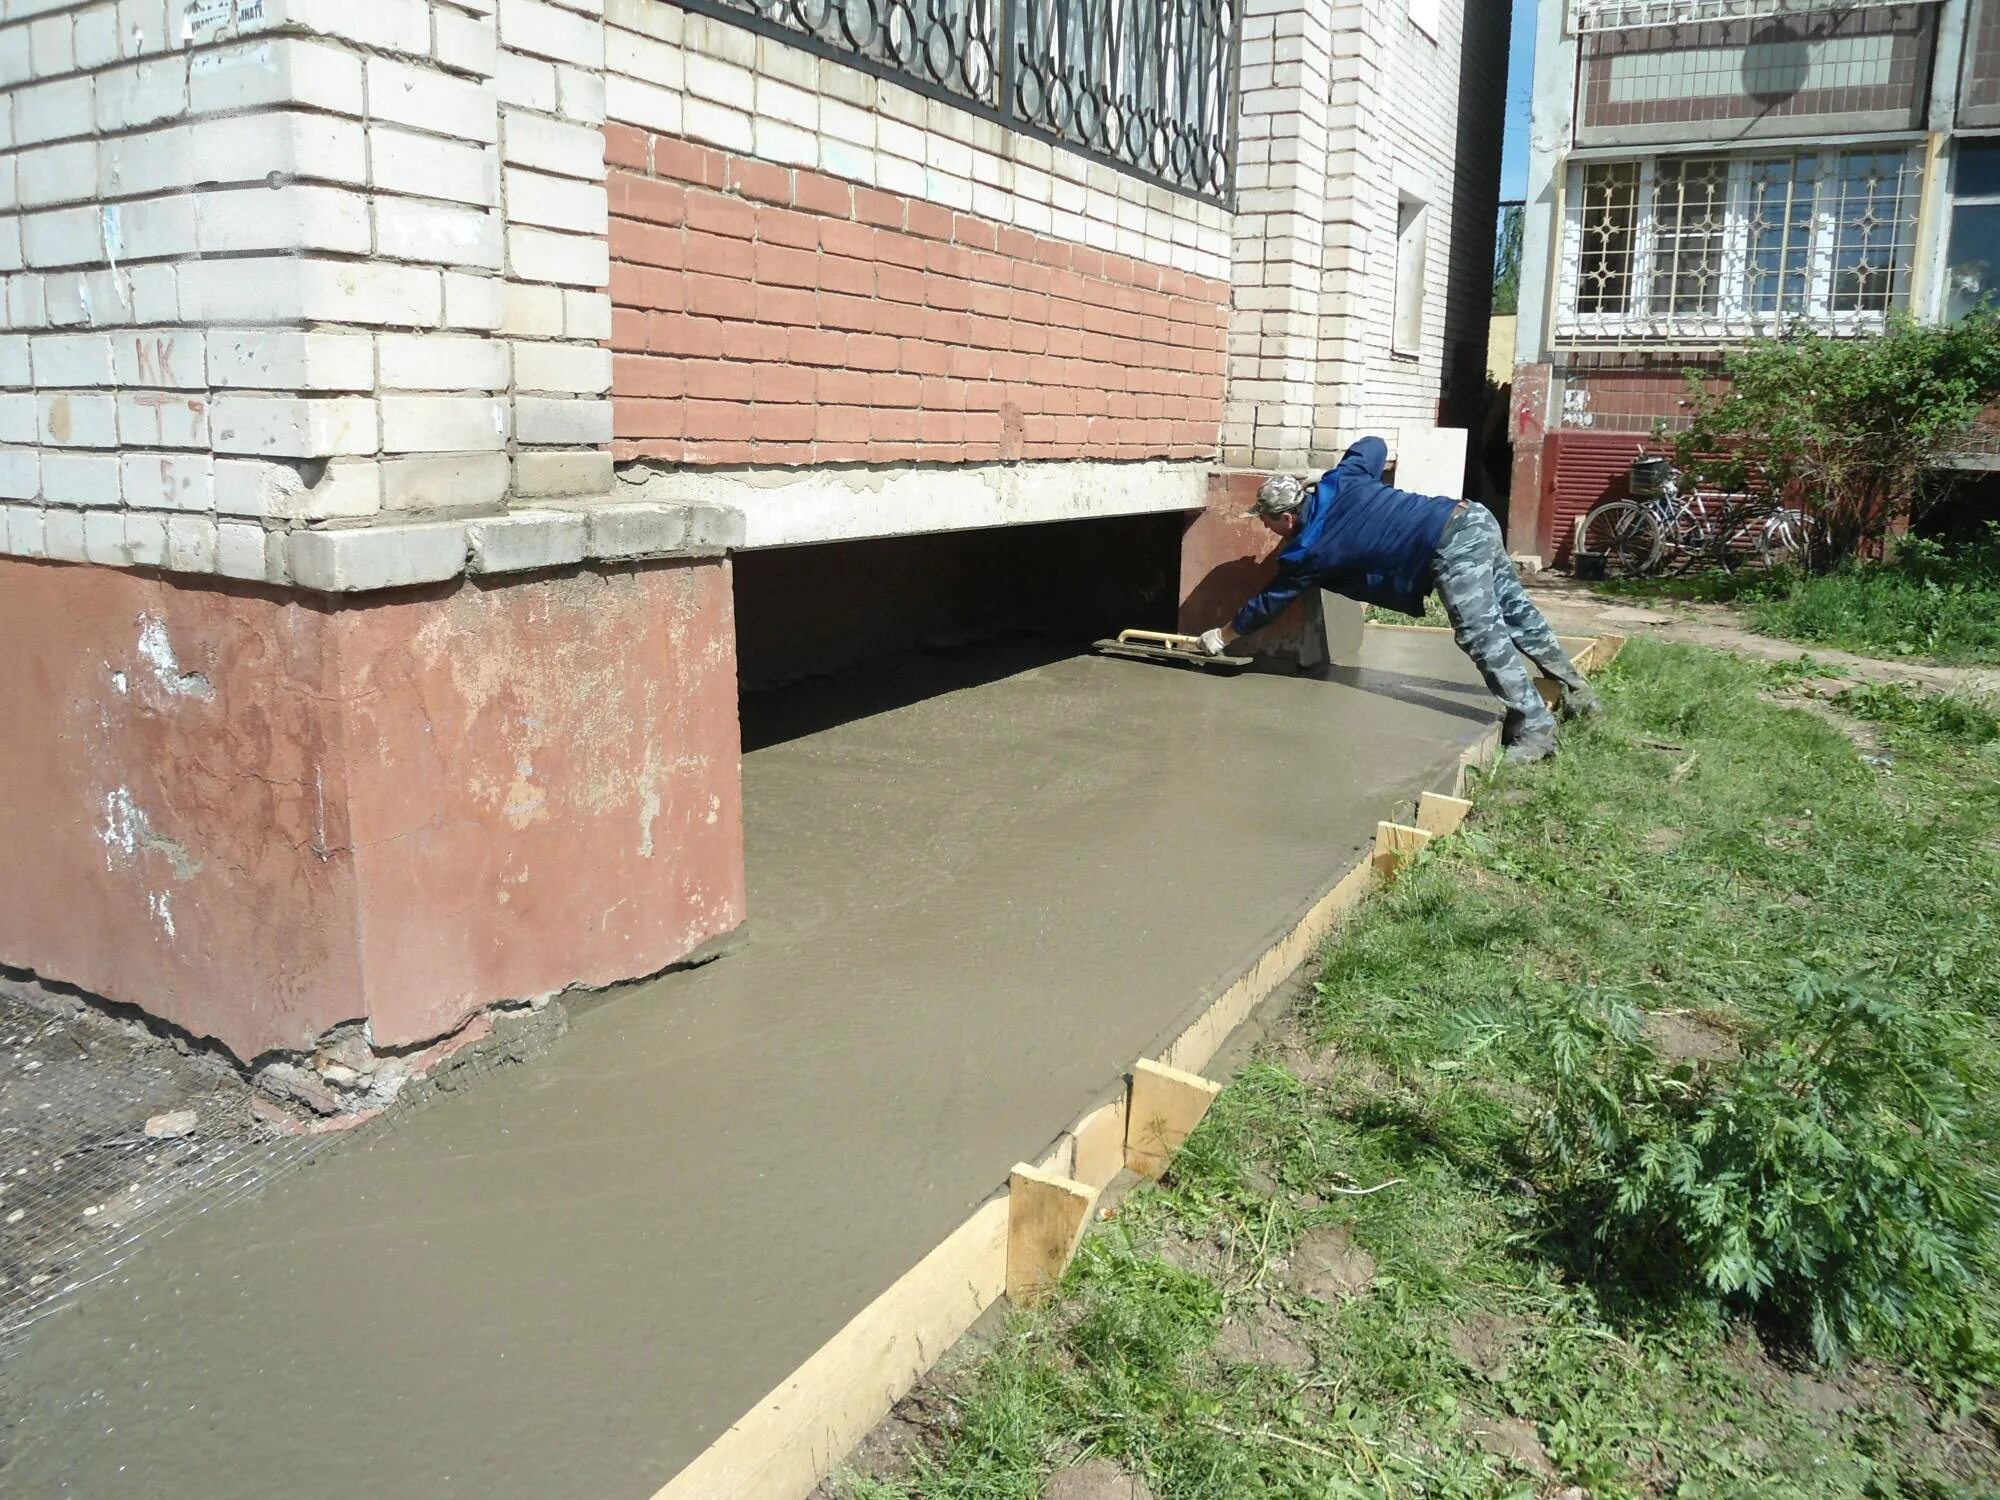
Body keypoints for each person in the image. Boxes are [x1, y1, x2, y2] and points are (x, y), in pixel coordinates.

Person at [1198, 436, 1599, 762]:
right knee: (1516, 613)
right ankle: (1576, 689)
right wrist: (1325, 476)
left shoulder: (1308, 553)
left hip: (1449, 547)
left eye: (1266, 520)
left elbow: (1267, 604)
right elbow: (1372, 444)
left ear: (1287, 519)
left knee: (1481, 634)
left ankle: (1535, 728)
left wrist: (1222, 635)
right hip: (1473, 518)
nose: (1266, 528)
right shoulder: (1345, 479)